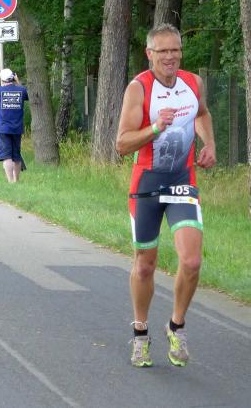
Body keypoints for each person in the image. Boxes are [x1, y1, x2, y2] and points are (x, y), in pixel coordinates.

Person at [116, 23, 216, 368]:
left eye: (176, 50)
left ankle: (176, 326)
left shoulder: (193, 83)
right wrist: (156, 127)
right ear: (150, 54)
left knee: (191, 261)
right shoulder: (139, 89)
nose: (171, 56)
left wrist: (209, 143)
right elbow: (122, 144)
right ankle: (140, 333)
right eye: (163, 51)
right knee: (145, 265)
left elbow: (202, 114)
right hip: (147, 185)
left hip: (182, 181)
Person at [0, 68, 28, 183]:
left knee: (6, 156)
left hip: (3, 128)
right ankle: (16, 180)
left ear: (2, 79)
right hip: (17, 128)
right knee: (16, 155)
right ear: (13, 77)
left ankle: (10, 181)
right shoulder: (21, 90)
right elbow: (26, 95)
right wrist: (18, 82)